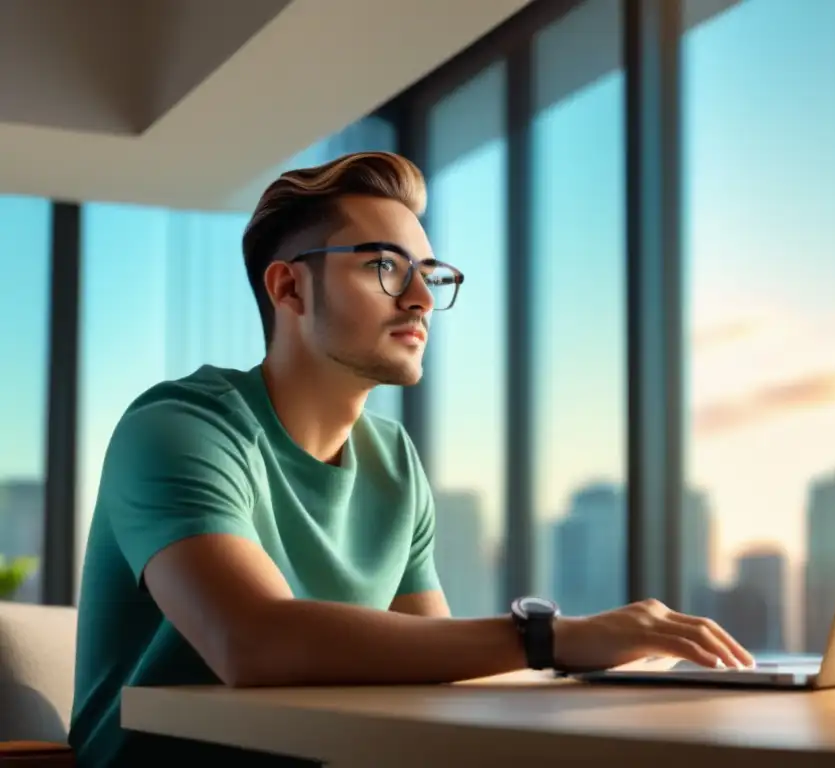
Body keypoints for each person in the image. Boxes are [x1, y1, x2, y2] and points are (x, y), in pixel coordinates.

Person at [68, 151, 754, 766]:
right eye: (385, 268)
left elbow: (432, 662)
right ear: (289, 290)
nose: (423, 299)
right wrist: (554, 637)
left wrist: (627, 678)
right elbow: (252, 642)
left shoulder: (392, 459)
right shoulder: (178, 427)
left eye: (428, 274)